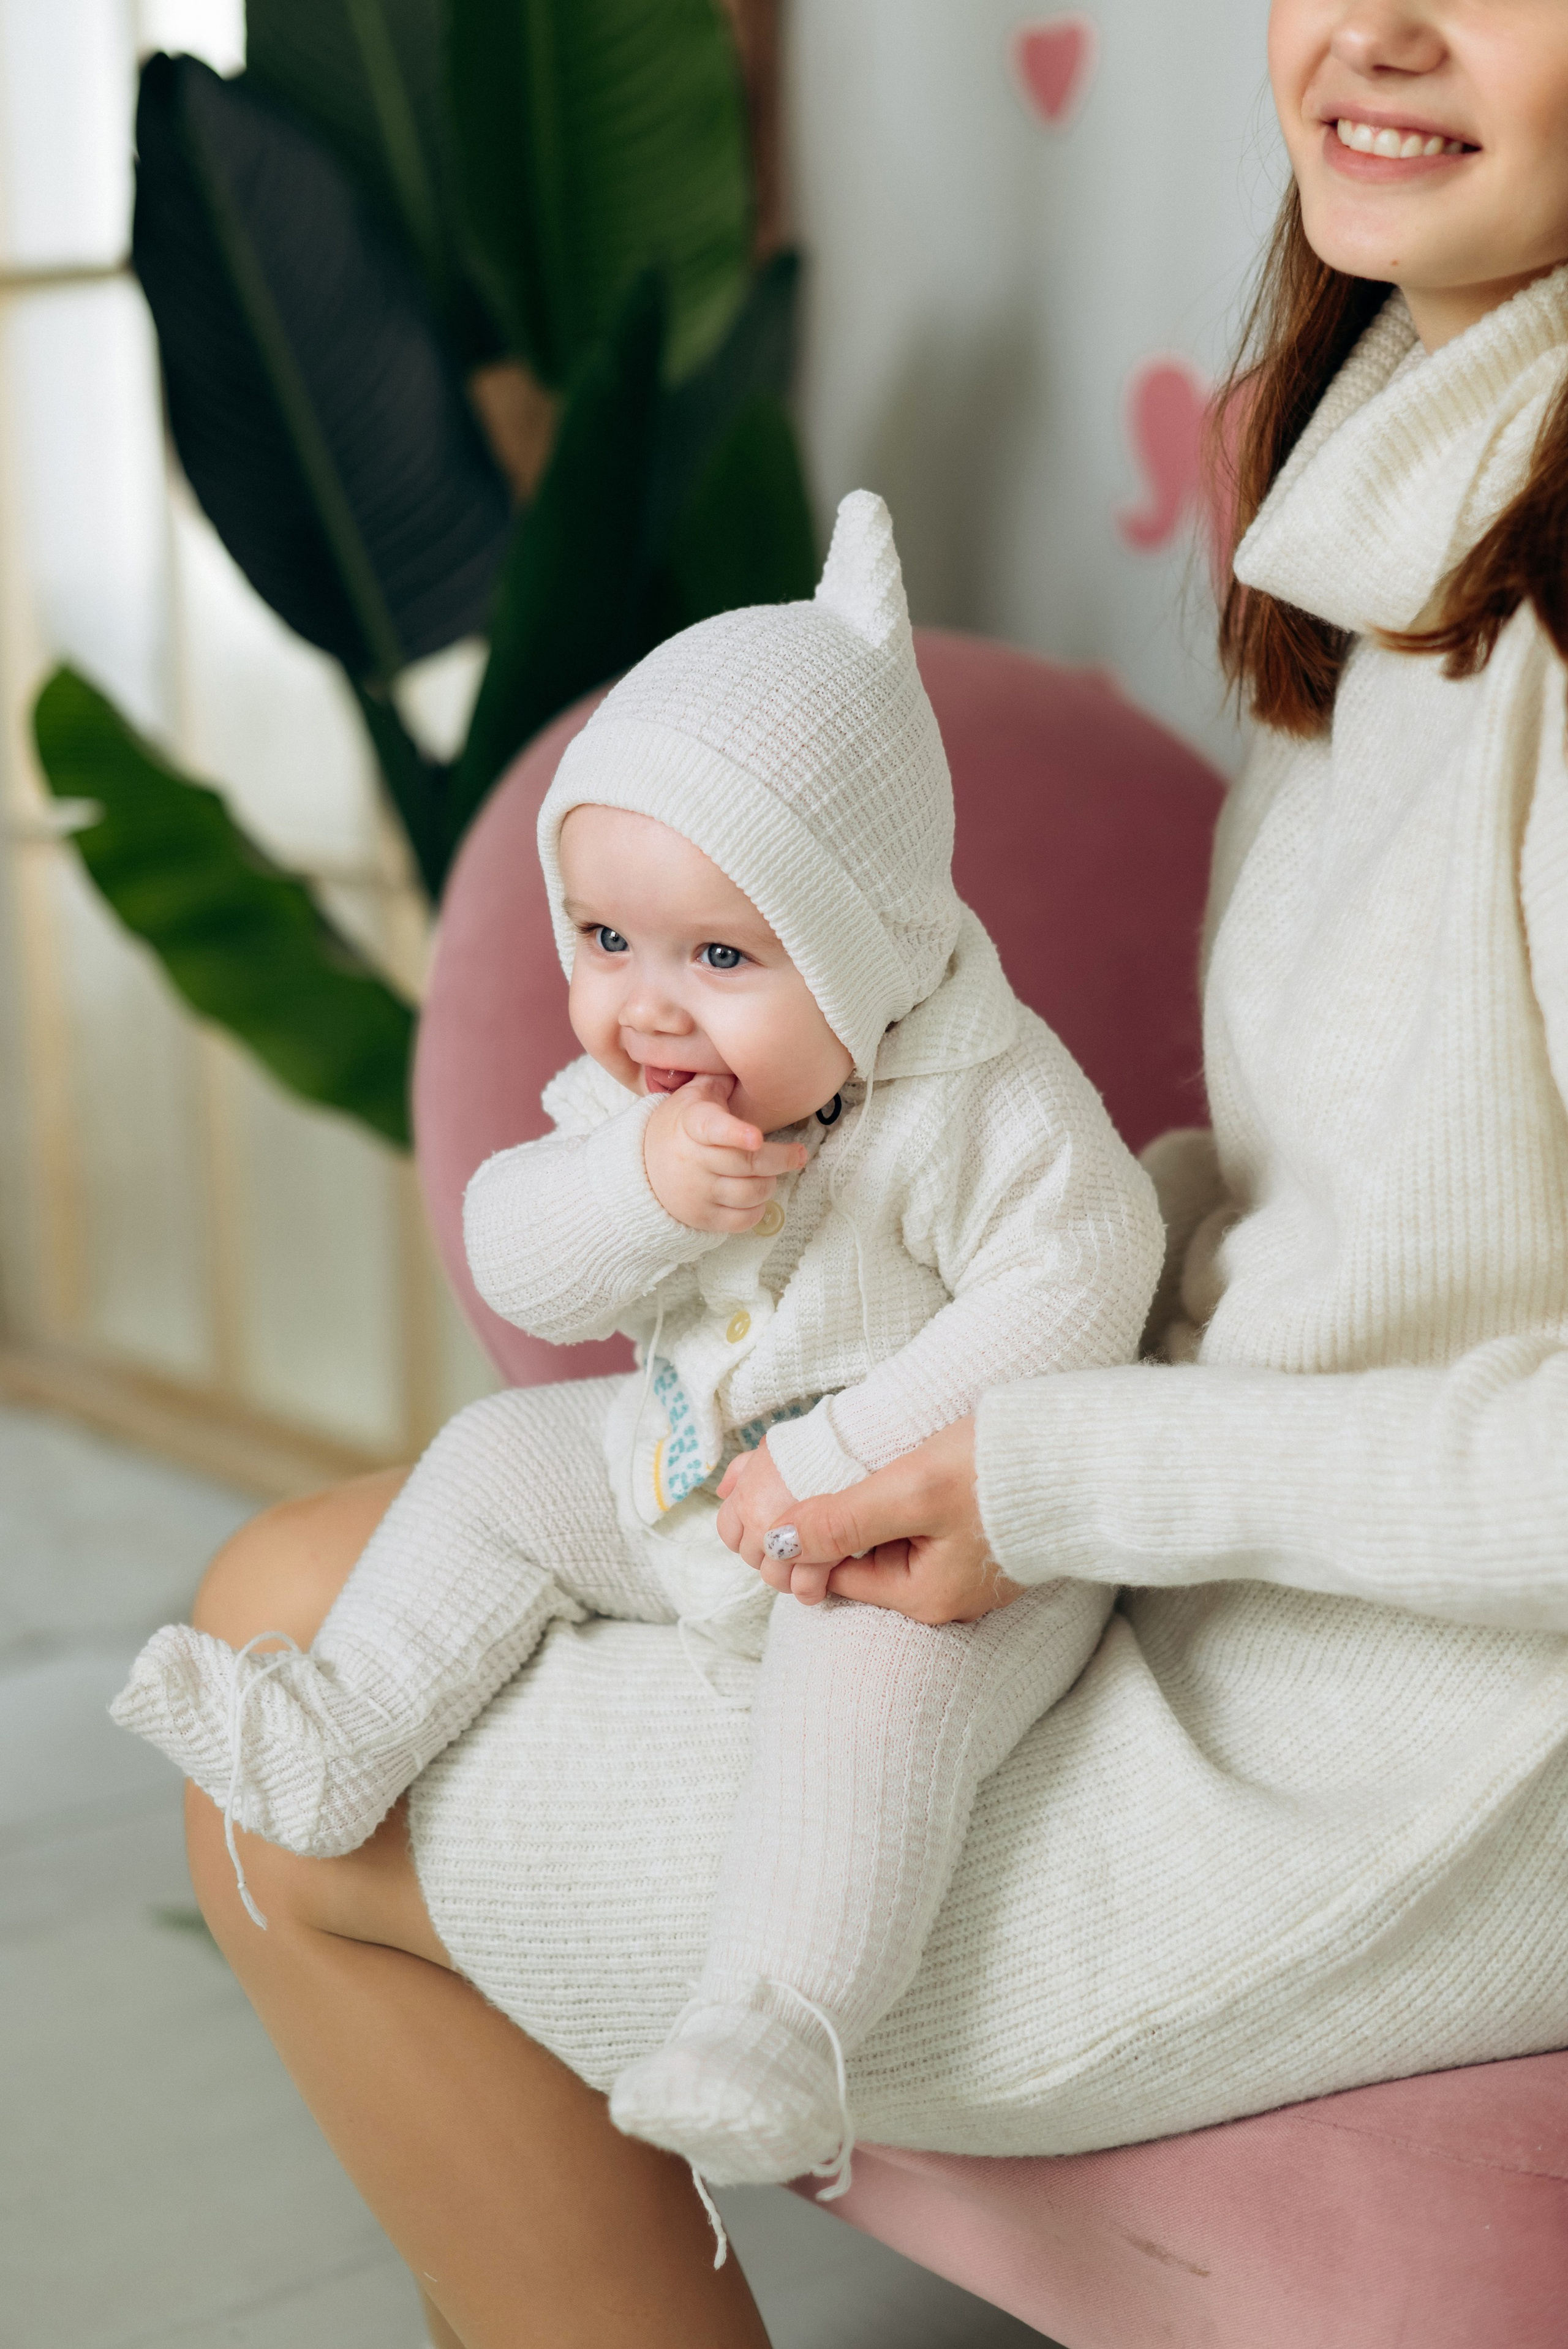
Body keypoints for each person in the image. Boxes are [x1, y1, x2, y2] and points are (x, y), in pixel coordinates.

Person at [160, 1, 1568, 2339]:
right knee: (320, 1577)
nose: (1381, 24)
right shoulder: (1420, 487)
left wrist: (1037, 1461)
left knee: (282, 1698)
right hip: (1215, 1572)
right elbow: (1407, 1198)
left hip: (1426, 1741)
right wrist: (993, 1288)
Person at [116, 491, 1163, 2202]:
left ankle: (780, 2023)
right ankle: (339, 1733)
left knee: (867, 1676)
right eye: (606, 942)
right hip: (687, 1472)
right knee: (498, 1462)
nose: (644, 1004)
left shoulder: (987, 1099)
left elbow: (1078, 1281)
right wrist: (644, 1189)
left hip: (922, 1533)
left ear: (869, 945)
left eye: (720, 957)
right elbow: (516, 1253)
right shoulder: (642, 1096)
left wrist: (841, 1471)